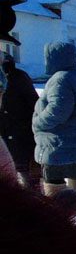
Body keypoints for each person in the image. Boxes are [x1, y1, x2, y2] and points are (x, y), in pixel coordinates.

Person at [33, 41, 76, 208]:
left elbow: (58, 110)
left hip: (60, 142)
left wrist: (38, 122)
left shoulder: (60, 79)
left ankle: (57, 209)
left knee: (53, 179)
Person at [0, 50, 41, 191]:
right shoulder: (19, 76)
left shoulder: (18, 77)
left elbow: (34, 103)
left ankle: (30, 195)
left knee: (22, 167)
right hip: (14, 129)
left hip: (19, 129)